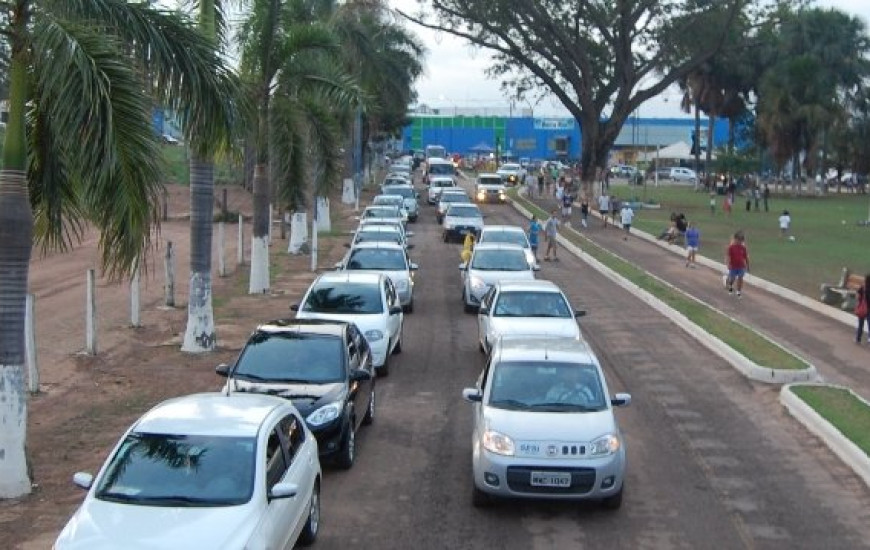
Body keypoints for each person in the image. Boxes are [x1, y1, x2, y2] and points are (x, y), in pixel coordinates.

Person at [725, 230, 749, 298]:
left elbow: (745, 256)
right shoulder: (731, 246)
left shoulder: (743, 247)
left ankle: (738, 291)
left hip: (741, 266)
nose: (741, 242)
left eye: (742, 240)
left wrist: (747, 265)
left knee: (740, 278)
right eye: (739, 240)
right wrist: (728, 264)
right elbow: (728, 255)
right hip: (733, 265)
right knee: (732, 278)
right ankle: (728, 282)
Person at [855, 274, 869, 344]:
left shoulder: (863, 288)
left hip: (862, 309)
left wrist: (860, 301)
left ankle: (858, 339)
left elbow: (857, 296)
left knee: (860, 324)